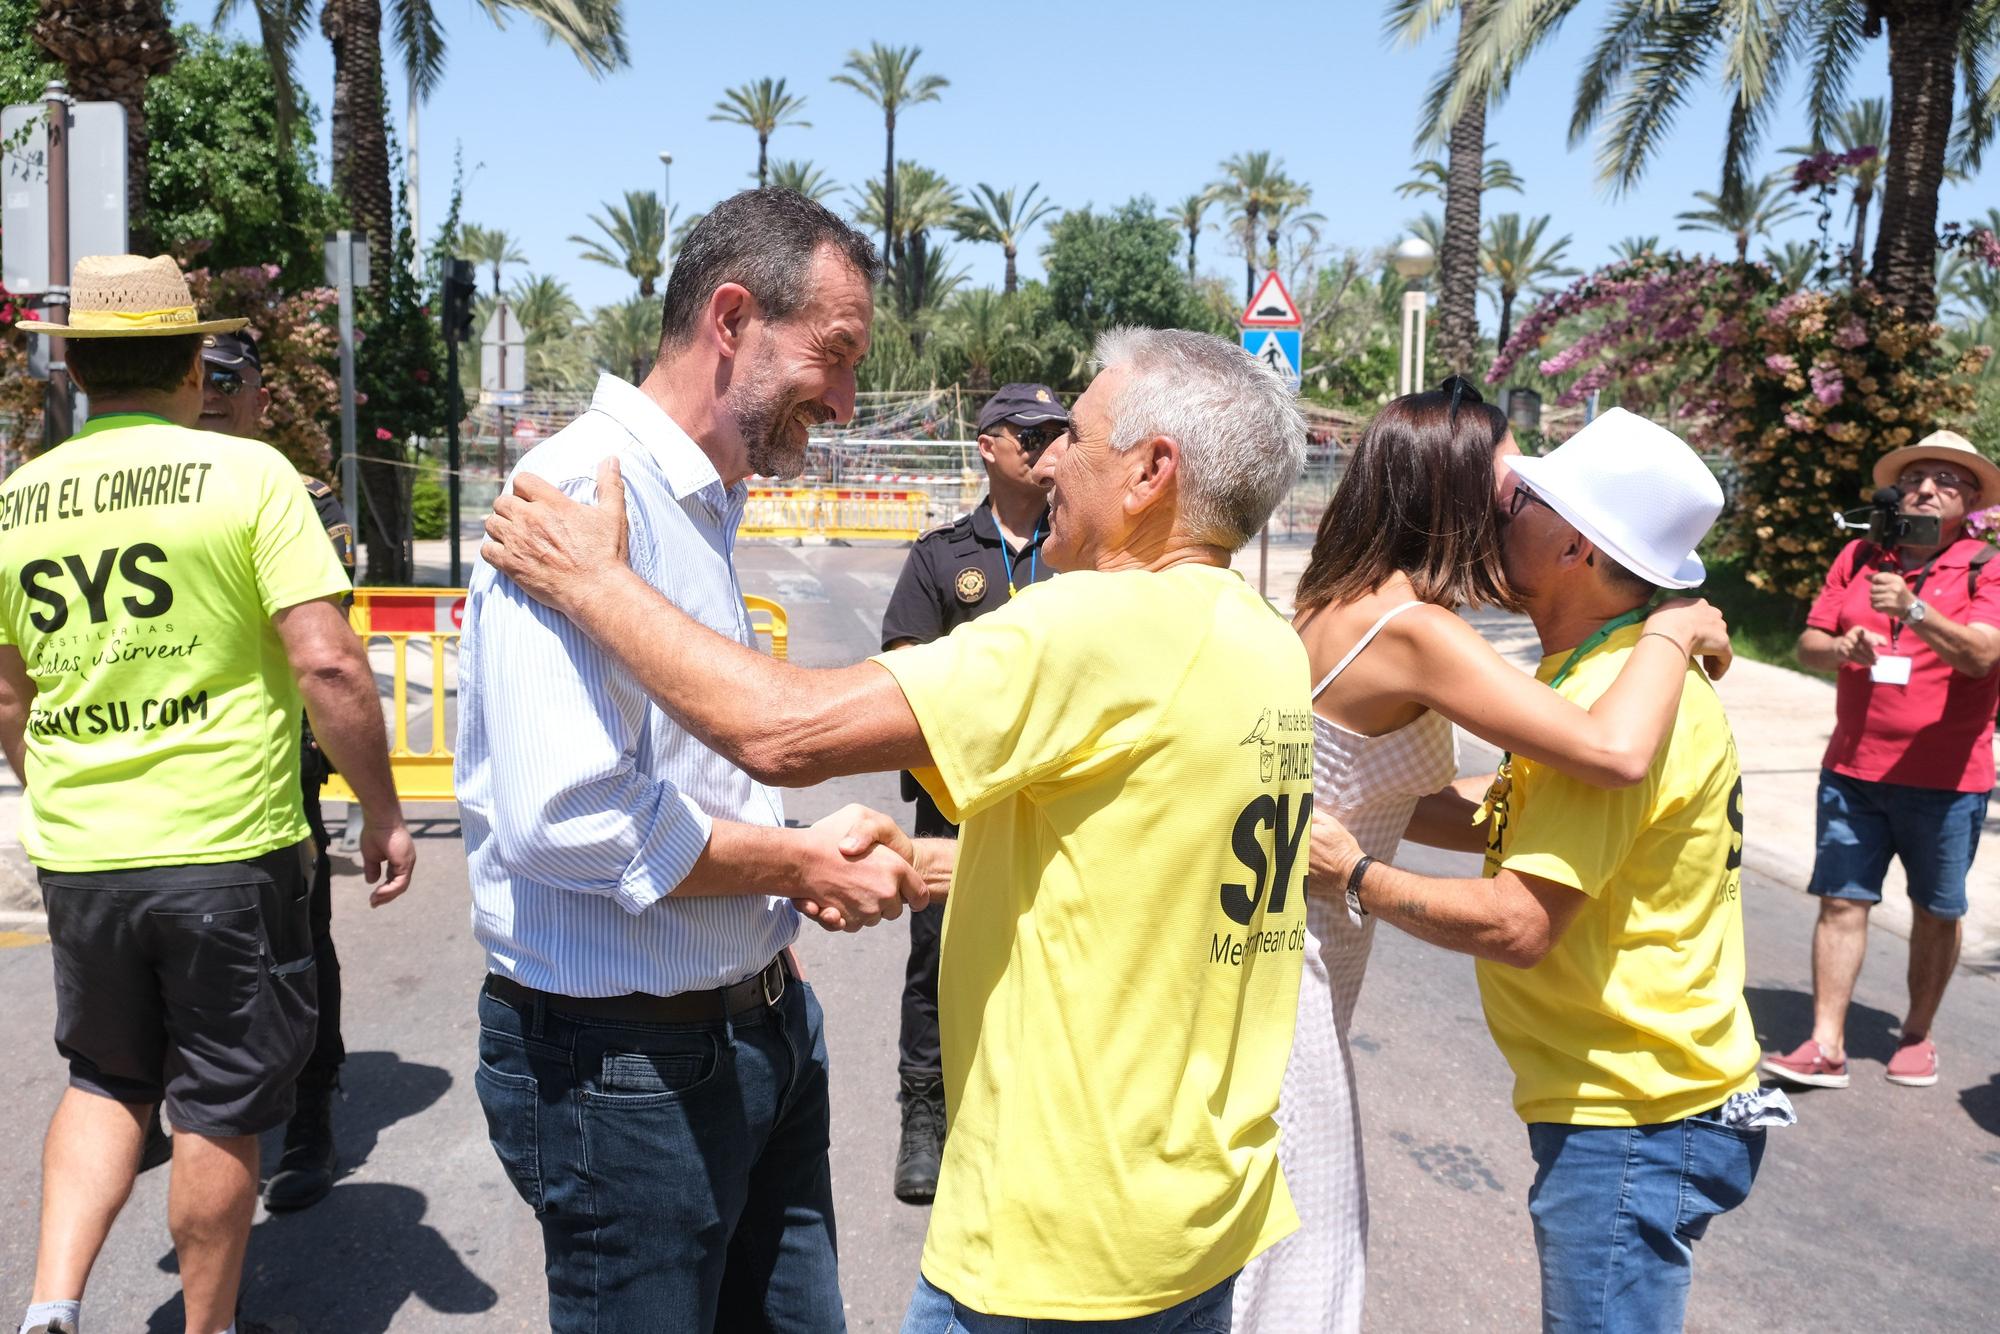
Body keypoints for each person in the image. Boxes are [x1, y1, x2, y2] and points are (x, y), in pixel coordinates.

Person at [482, 326, 1313, 1330]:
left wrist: (592, 582)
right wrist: (906, 862)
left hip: (1063, 1242)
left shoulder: (1100, 622)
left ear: (1148, 472)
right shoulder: (1265, 646)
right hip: (1195, 1214)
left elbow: (782, 731)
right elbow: (1139, 870)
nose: (1049, 460)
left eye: (1075, 439)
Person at [455, 189, 927, 1333]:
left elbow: (703, 759)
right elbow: (566, 816)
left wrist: (766, 945)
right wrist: (794, 867)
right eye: (836, 355)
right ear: (731, 319)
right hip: (627, 1067)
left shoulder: (697, 501)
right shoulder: (582, 495)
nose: (849, 400)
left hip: (748, 1026)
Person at [1231, 383, 1732, 1334]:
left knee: (1271, 1240)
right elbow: (1614, 751)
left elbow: (1409, 800)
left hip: (1284, 948)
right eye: (1511, 491)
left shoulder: (1340, 601)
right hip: (1293, 964)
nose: (1516, 510)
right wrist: (1673, 625)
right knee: (1302, 1250)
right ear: (1455, 492)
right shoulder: (1415, 631)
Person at [0, 254, 415, 1334]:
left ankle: (50, 1306)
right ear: (194, 361)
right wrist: (380, 808)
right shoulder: (251, 477)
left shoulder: (18, 498)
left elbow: (5, 694)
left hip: (86, 850)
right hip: (226, 843)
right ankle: (208, 1325)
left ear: (81, 371)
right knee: (218, 1101)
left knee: (103, 1076)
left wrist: (55, 786)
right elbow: (327, 663)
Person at [1763, 429, 2000, 1092]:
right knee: (1841, 901)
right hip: (1853, 772)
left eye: (1946, 480)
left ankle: (1918, 1035)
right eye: (1917, 476)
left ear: (1972, 499)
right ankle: (1826, 1043)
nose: (1926, 487)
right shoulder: (1860, 556)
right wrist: (1844, 648)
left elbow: (1982, 655)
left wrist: (1916, 609)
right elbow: (1809, 644)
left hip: (1948, 782)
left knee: (1936, 910)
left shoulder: (1988, 566)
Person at [878, 381, 1064, 1204]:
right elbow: (907, 680)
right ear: (987, 444)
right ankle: (927, 1114)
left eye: (1059, 431)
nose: (1048, 444)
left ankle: (1032, 1120)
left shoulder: (1083, 550)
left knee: (1052, 956)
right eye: (1029, 432)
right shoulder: (943, 555)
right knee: (938, 961)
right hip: (957, 808)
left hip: (1062, 809)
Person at [196, 330, 358, 1210]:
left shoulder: (302, 494)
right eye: (199, 374)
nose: (213, 391)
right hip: (169, 772)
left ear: (263, 393)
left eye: (231, 376)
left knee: (295, 950)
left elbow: (323, 636)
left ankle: (309, 1114)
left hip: (274, 768)